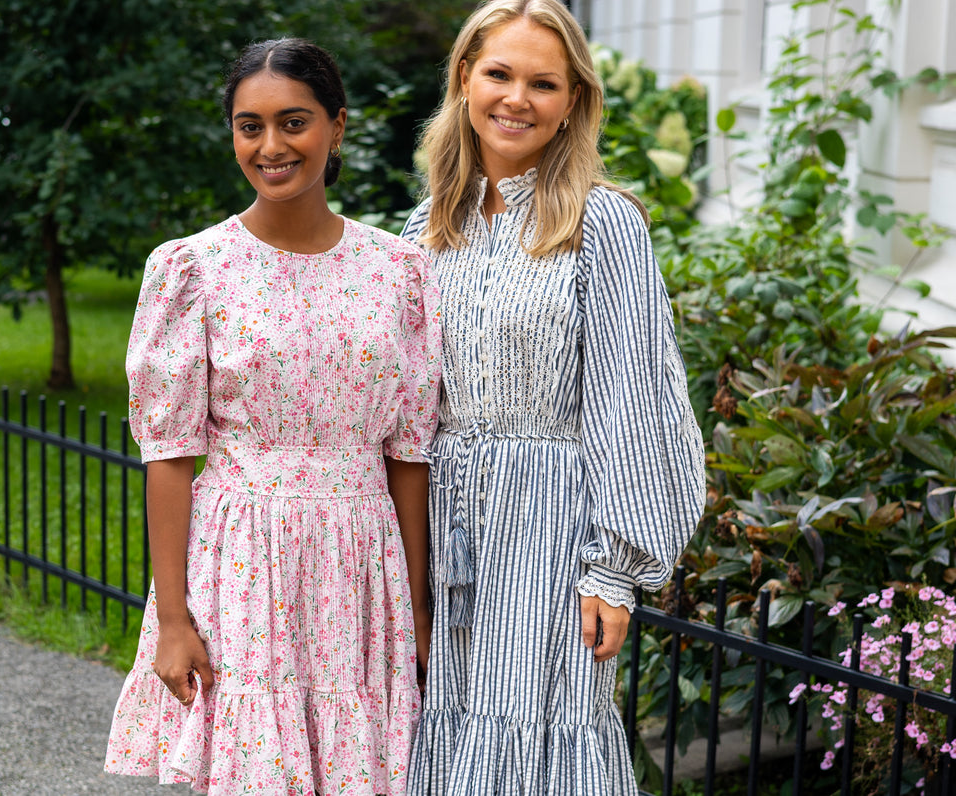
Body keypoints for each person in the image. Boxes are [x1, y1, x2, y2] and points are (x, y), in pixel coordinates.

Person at [104, 38, 441, 796]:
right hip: (244, 560)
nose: (271, 145)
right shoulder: (192, 269)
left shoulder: (400, 271)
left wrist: (414, 606)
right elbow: (168, 454)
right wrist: (172, 620)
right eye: (248, 126)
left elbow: (409, 455)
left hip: (361, 563)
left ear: (337, 127)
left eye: (294, 122)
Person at [401, 1, 706, 793]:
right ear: (465, 78)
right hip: (444, 520)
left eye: (544, 82)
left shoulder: (602, 224)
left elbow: (632, 399)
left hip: (552, 525)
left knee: (545, 731)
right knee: (446, 718)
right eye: (499, 73)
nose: (517, 98)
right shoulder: (422, 229)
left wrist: (615, 571)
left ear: (573, 100)